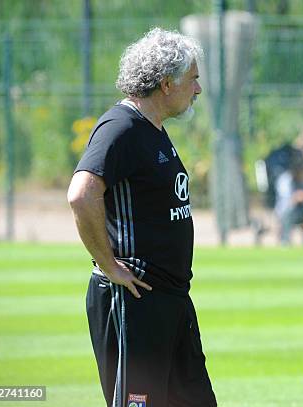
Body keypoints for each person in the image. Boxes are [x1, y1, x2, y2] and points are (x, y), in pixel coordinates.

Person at [67, 28, 217, 407]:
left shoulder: (152, 129)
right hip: (135, 300)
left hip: (170, 299)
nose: (198, 89)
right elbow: (82, 195)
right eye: (193, 79)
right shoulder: (121, 127)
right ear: (167, 84)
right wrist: (109, 266)